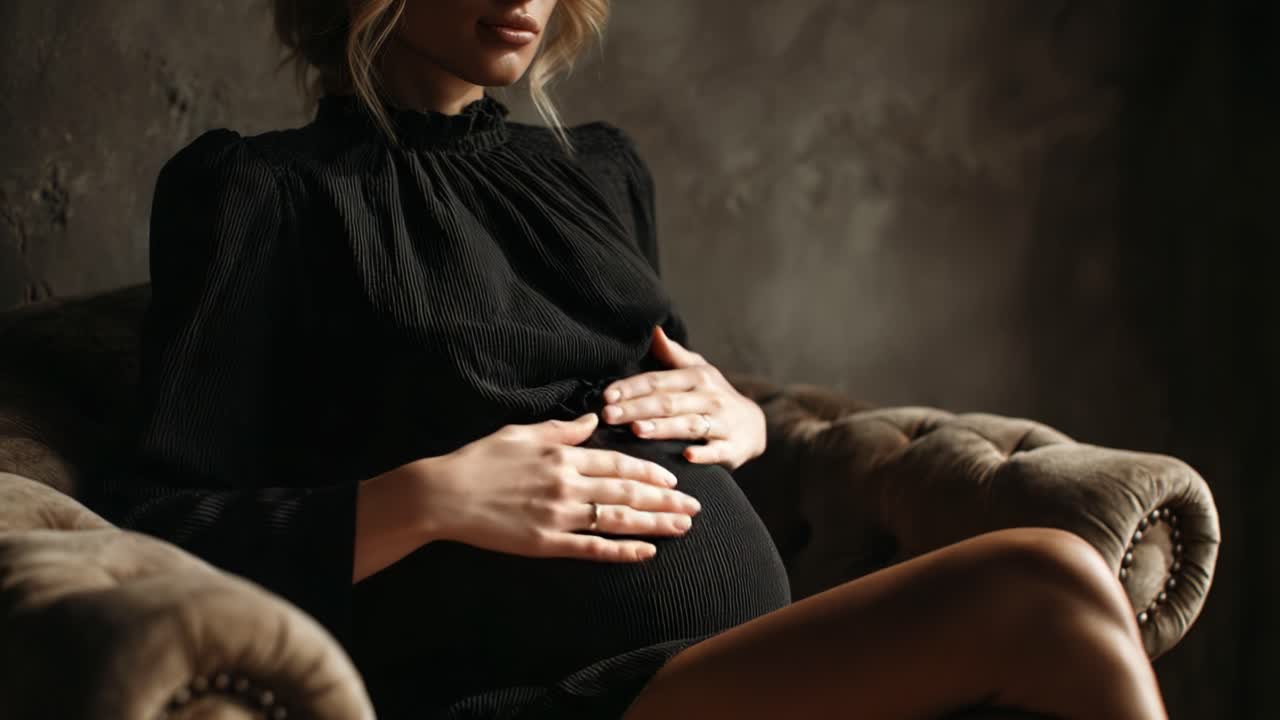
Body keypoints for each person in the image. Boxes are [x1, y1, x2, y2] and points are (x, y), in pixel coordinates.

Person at [86, 1, 1169, 718]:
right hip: (546, 696)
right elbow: (152, 525)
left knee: (1055, 596)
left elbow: (667, 393)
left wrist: (739, 420)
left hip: (734, 663)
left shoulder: (596, 174)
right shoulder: (263, 196)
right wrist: (424, 499)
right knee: (1044, 578)